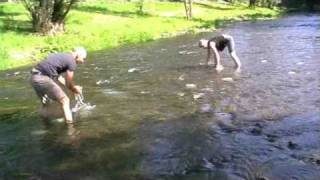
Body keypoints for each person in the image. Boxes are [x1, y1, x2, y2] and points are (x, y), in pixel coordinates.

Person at [30, 47, 87, 124]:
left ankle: (45, 124)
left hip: (34, 78)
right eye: (83, 58)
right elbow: (69, 83)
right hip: (43, 78)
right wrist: (74, 89)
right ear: (78, 55)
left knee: (46, 103)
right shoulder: (72, 62)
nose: (83, 61)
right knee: (65, 101)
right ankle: (70, 127)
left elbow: (58, 78)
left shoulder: (63, 56)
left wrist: (72, 88)